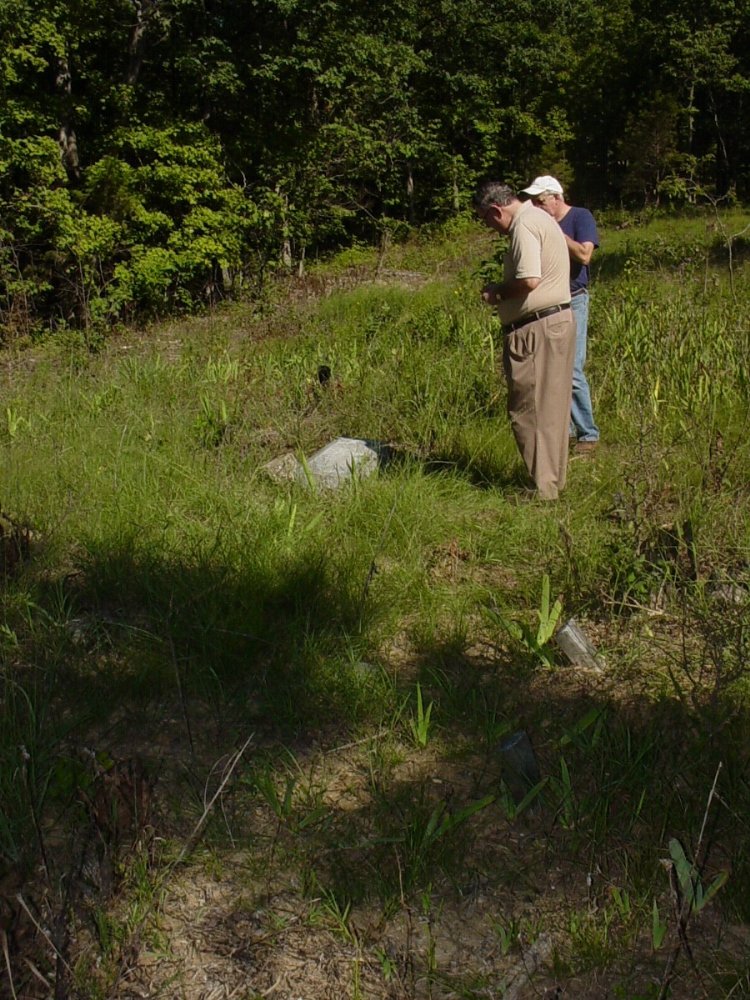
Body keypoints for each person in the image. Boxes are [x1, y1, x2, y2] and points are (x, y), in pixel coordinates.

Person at [474, 181, 576, 500]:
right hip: (557, 321)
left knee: (528, 410)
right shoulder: (543, 218)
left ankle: (543, 490)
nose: (490, 228)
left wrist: (497, 292)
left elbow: (529, 279)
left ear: (496, 210)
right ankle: (552, 483)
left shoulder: (524, 226)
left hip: (536, 329)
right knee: (552, 407)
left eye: (486, 220)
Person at [521, 175, 600, 455]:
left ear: (556, 197)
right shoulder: (538, 222)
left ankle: (587, 433)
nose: (538, 207)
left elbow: (584, 255)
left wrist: (555, 230)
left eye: (541, 201)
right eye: (534, 202)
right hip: (547, 303)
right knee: (550, 369)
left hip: (574, 300)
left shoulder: (580, 217)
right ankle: (562, 431)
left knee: (573, 369)